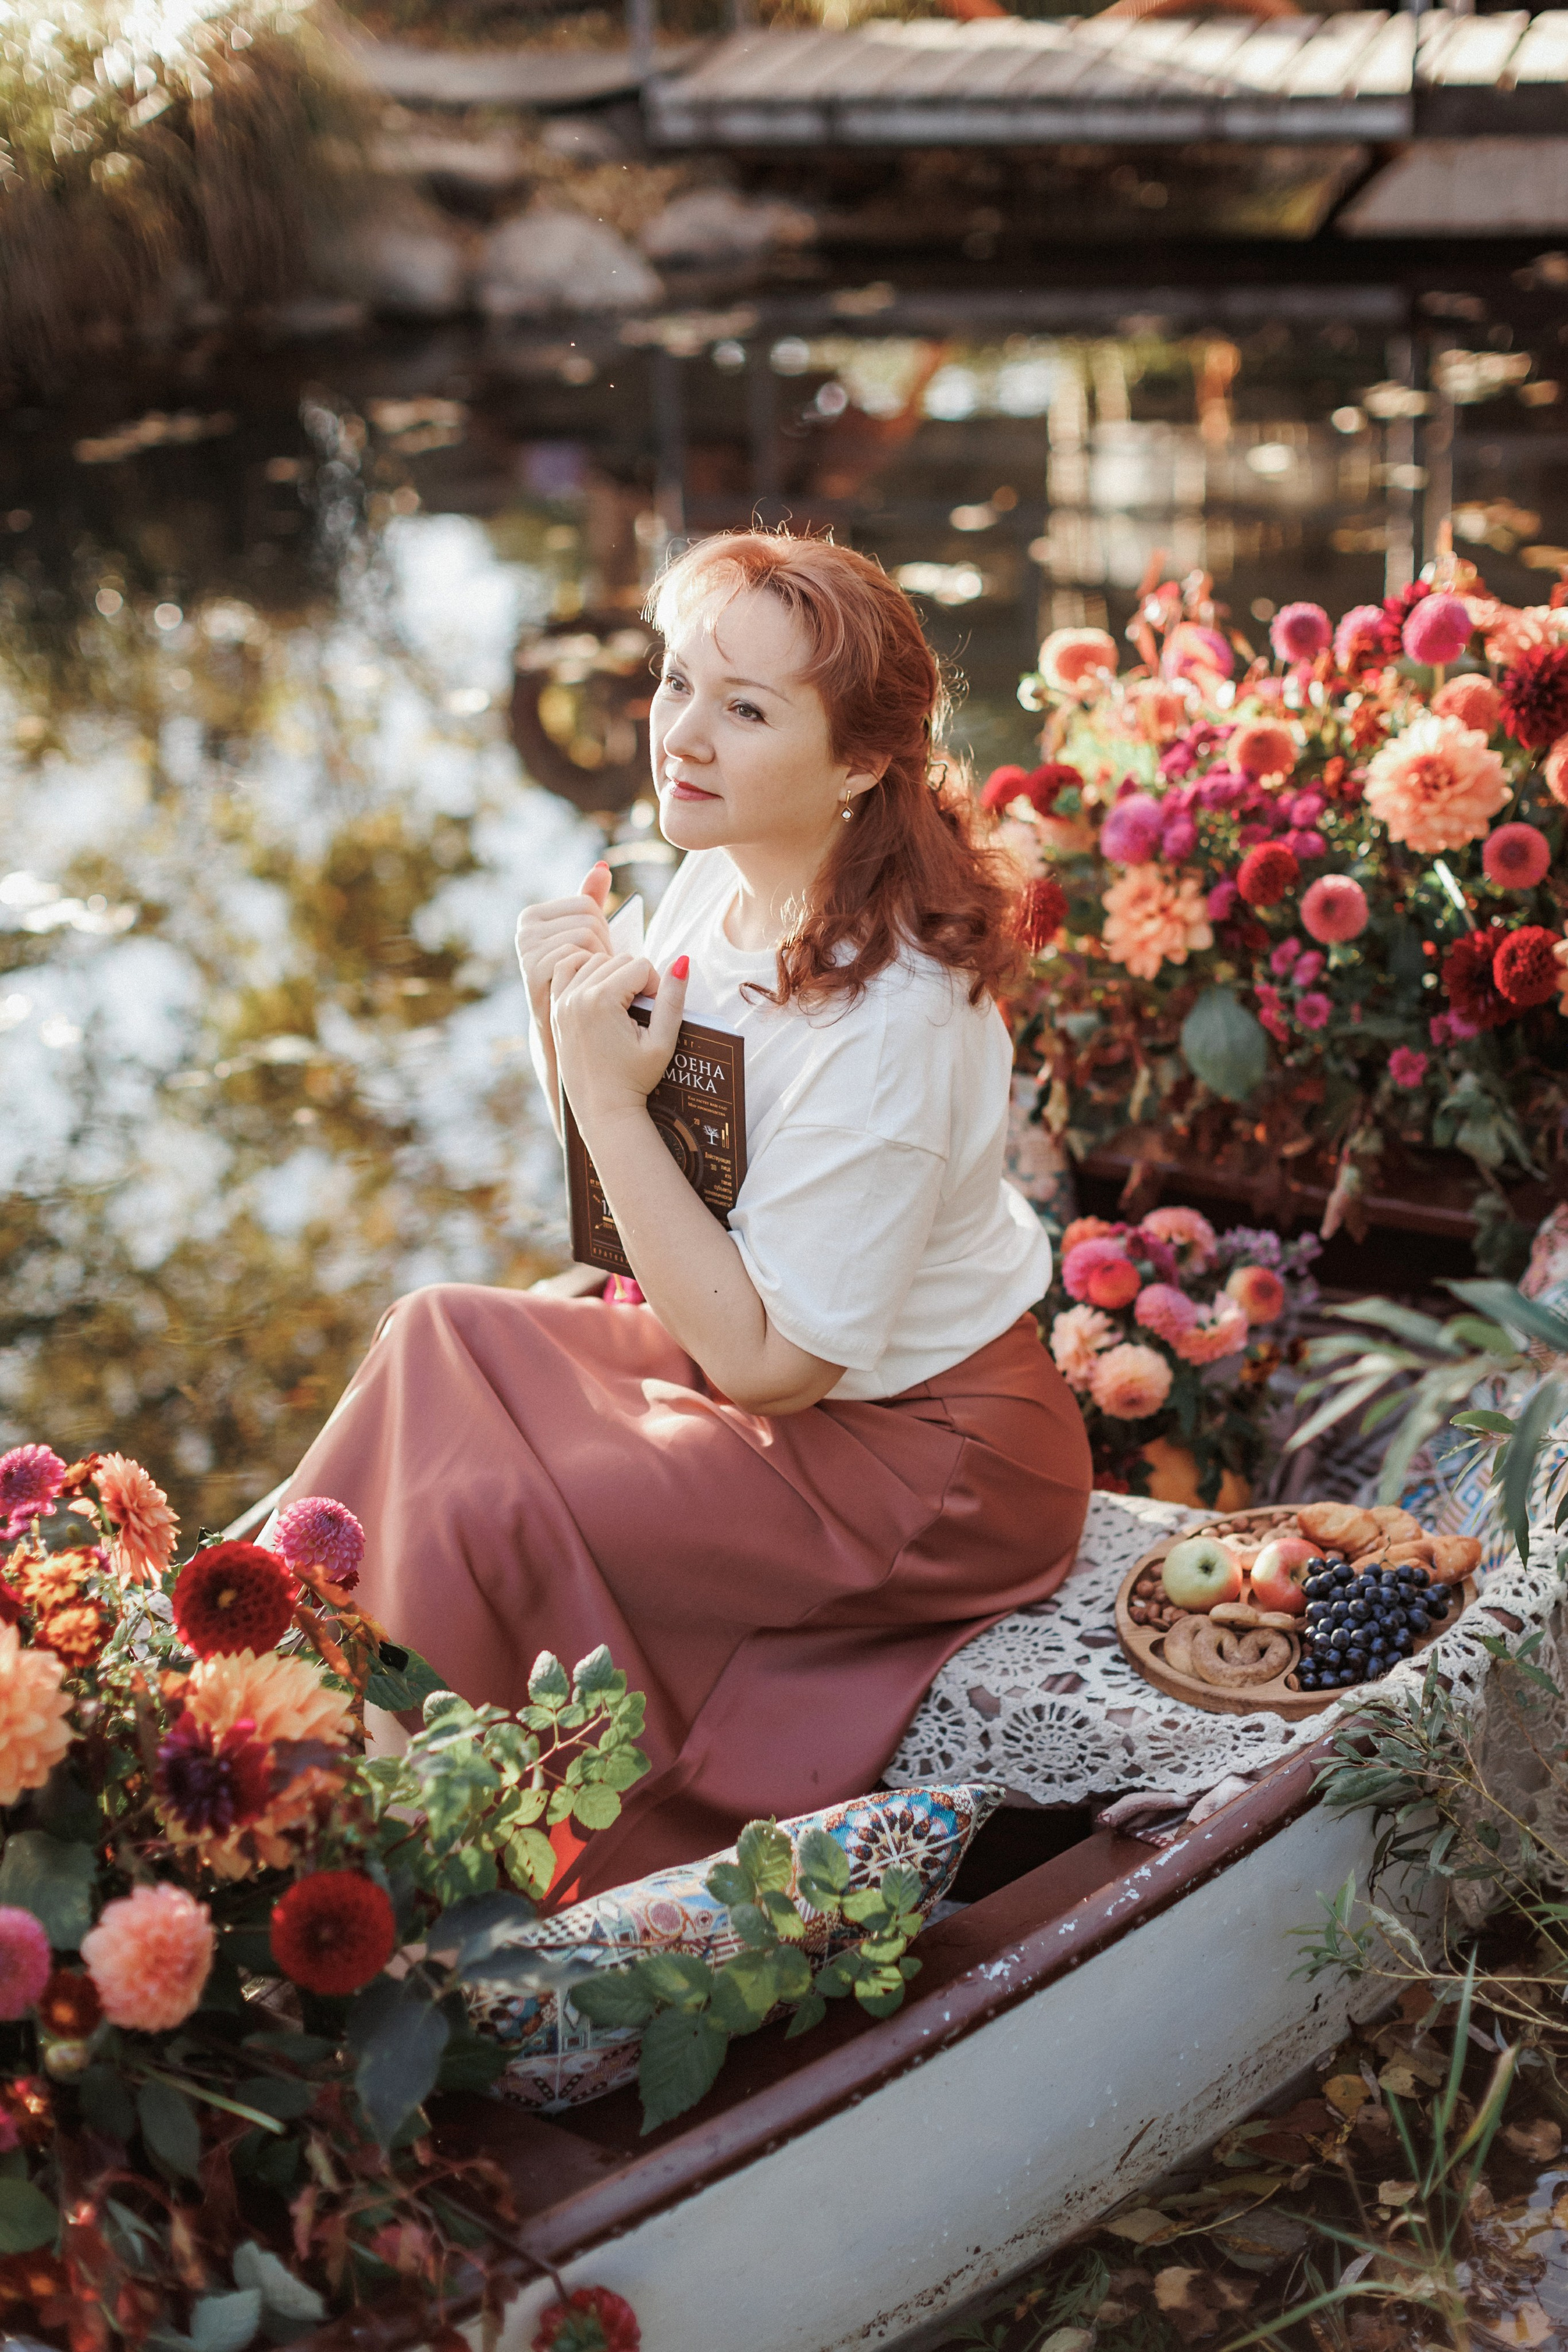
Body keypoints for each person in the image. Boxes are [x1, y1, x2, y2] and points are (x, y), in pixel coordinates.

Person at [280, 531, 1091, 1902]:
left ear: (855, 764)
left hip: (920, 1460)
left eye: (746, 708)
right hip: (753, 1354)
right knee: (433, 1339)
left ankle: (396, 1854)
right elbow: (653, 1188)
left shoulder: (892, 1023)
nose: (681, 737)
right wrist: (569, 1032)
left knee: (495, 1509)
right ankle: (285, 1732)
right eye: (673, 684)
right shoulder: (727, 878)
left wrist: (594, 1089)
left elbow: (773, 1366)